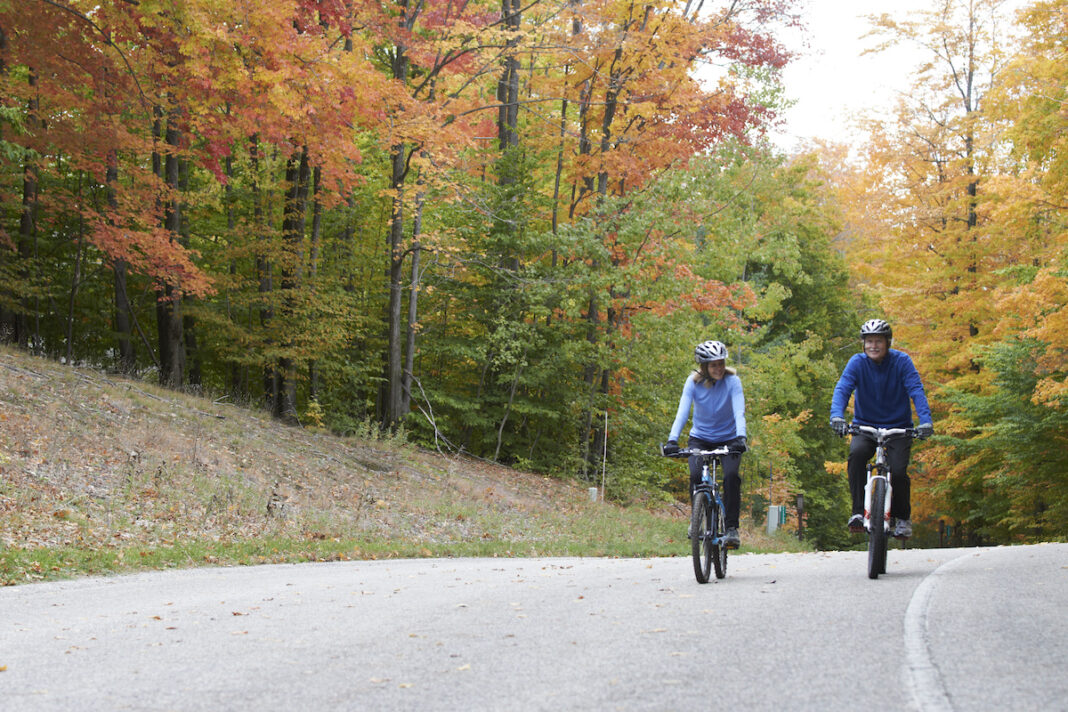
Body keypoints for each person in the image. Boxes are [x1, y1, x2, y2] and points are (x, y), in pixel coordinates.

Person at [829, 319, 933, 538]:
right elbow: (843, 388)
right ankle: (858, 512)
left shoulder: (902, 362)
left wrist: (925, 421)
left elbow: (916, 390)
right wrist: (837, 416)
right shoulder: (857, 363)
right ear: (863, 344)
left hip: (898, 428)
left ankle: (902, 518)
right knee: (857, 455)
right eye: (869, 341)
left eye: (878, 341)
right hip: (865, 426)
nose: (873, 346)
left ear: (887, 343)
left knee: (898, 471)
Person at [662, 340, 747, 548]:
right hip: (700, 438)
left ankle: (731, 528)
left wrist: (741, 437)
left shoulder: (733, 382)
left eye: (721, 363)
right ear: (704, 367)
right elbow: (682, 413)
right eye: (713, 365)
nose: (719, 368)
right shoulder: (693, 383)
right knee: (695, 475)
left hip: (729, 438)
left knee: (731, 476)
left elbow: (739, 412)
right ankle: (697, 518)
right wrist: (672, 439)